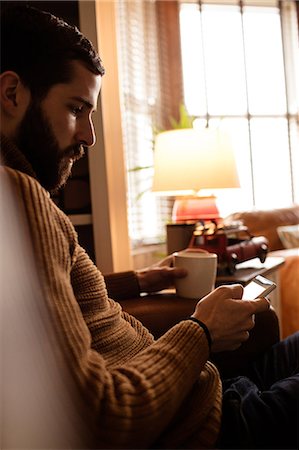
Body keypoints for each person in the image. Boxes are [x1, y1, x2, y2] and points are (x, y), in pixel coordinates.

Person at [0, 5, 298, 449]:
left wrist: (141, 279)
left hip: (207, 394)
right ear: (11, 92)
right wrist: (202, 331)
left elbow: (54, 299)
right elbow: (97, 417)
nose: (89, 137)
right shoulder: (18, 196)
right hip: (218, 425)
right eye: (77, 109)